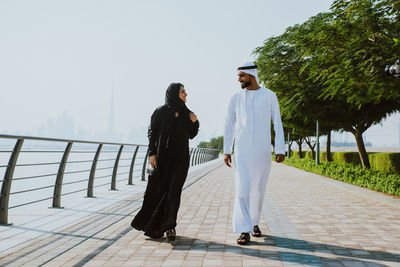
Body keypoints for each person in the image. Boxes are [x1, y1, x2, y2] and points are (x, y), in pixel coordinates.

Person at [223, 62, 285, 245]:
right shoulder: (235, 98)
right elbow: (229, 125)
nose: (238, 79)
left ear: (252, 75)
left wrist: (280, 148)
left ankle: (254, 222)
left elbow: (278, 124)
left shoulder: (269, 96)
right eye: (238, 76)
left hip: (262, 150)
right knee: (242, 188)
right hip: (241, 151)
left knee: (258, 189)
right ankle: (244, 229)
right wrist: (227, 150)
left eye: (241, 76)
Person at [131, 82, 199, 241]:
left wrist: (195, 122)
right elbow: (152, 134)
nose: (186, 94)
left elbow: (191, 135)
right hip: (162, 159)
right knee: (158, 192)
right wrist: (152, 153)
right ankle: (154, 226)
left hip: (180, 160)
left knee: (173, 193)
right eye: (183, 92)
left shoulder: (186, 113)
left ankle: (170, 227)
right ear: (174, 94)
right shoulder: (160, 112)